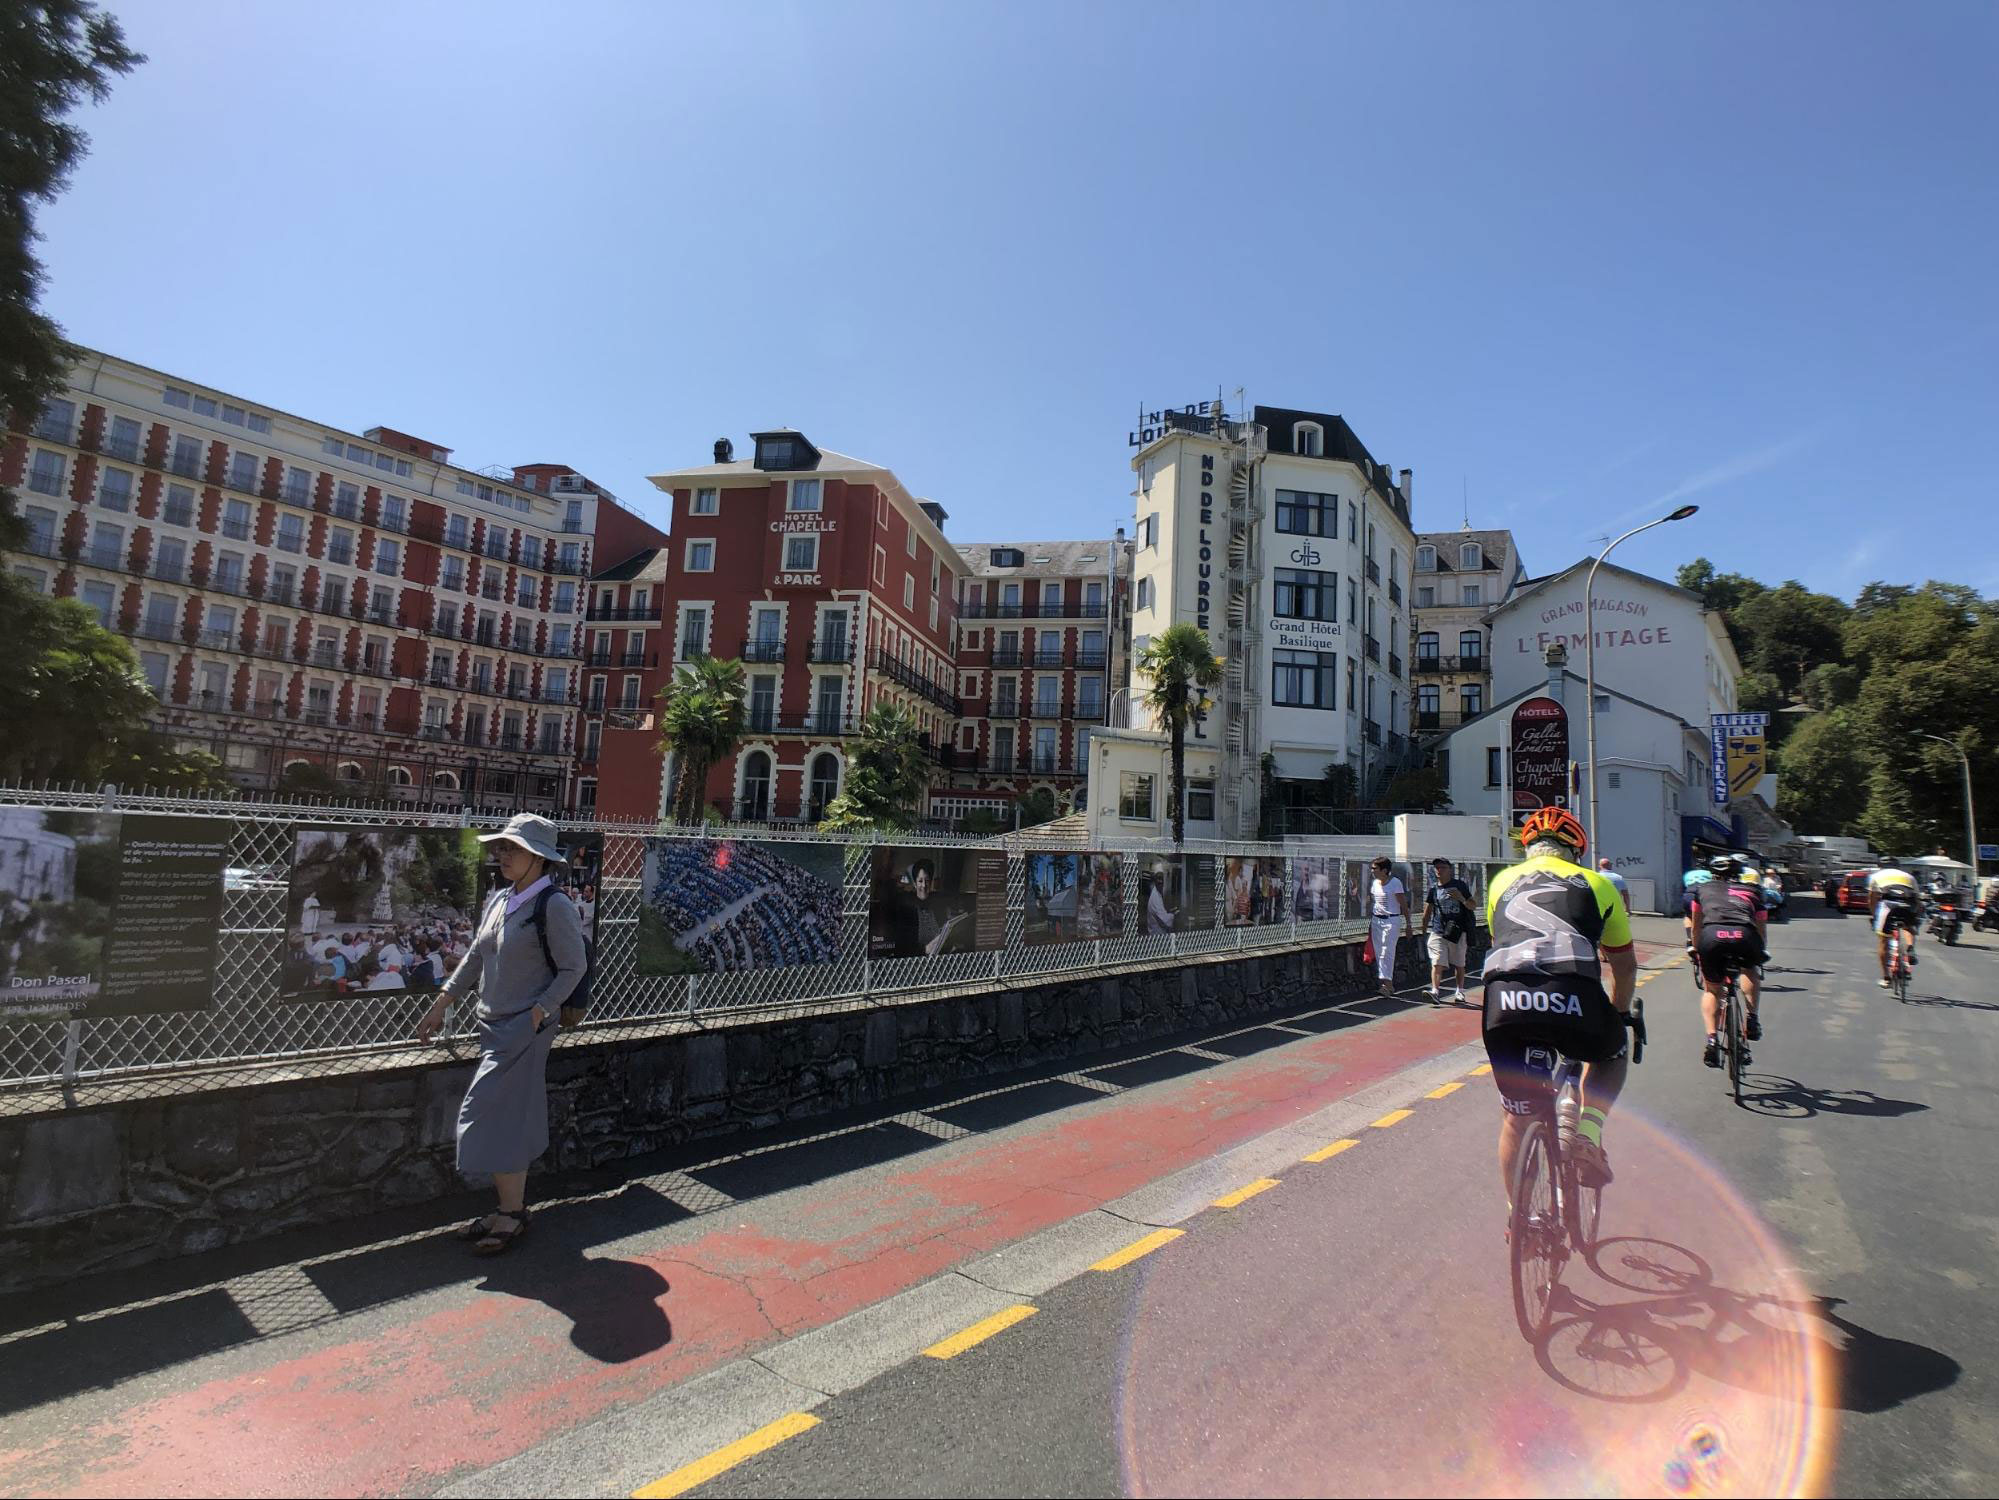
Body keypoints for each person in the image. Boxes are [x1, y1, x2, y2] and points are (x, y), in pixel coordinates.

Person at [417, 813, 586, 1257]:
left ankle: (510, 1211)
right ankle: (509, 1209)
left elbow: (574, 968)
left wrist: (539, 1011)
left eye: (513, 848)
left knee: (485, 1111)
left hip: (522, 1027)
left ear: (539, 858)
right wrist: (442, 1004)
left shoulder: (554, 905)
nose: (502, 854)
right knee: (510, 1116)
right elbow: (475, 956)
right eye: (502, 847)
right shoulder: (500, 899)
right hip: (493, 1022)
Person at [1482, 806, 1636, 1194]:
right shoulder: (1599, 884)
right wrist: (1618, 1015)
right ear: (1575, 852)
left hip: (1505, 1003)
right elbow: (1624, 965)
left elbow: (1499, 941)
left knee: (1516, 1118)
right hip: (1573, 996)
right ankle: (1586, 1134)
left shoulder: (1500, 882)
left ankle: (1520, 1222)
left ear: (1529, 849)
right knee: (1613, 1051)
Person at [1685, 854, 1769, 1066]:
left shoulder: (1701, 890)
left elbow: (1696, 925)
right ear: (1739, 874)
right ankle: (1752, 1018)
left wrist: (1695, 949)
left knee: (1712, 990)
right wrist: (1760, 950)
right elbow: (1761, 928)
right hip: (1745, 935)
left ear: (1713, 873)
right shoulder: (1754, 892)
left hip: (1712, 937)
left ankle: (1712, 1040)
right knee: (1749, 970)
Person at [1422, 857, 1475, 1003]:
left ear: (1449, 869)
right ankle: (1435, 991)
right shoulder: (1434, 889)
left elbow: (1472, 905)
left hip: (1457, 931)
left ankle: (1460, 991)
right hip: (1438, 930)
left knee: (1459, 963)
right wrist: (1423, 927)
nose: (1439, 870)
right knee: (1437, 961)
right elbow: (1428, 909)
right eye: (1436, 868)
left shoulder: (1460, 885)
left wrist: (1461, 898)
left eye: (1442, 867)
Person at [1867, 858, 1924, 988]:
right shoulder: (1908, 876)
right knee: (1908, 927)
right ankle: (1910, 948)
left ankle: (1886, 977)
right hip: (1908, 904)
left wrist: (1874, 914)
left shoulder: (1876, 876)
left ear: (1880, 866)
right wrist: (1916, 915)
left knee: (1883, 940)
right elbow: (1917, 898)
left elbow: (1872, 898)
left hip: (1888, 906)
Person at [1368, 856, 1410, 998]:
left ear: (1384, 870)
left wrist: (1409, 924)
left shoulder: (1395, 883)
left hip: (1391, 921)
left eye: (1375, 868)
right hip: (1376, 921)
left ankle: (1388, 985)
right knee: (1379, 952)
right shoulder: (1374, 883)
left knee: (1387, 952)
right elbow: (1375, 903)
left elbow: (1403, 904)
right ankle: (1385, 984)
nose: (1372, 871)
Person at [1146, 865, 1176, 934]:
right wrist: (1174, 915)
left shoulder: (1157, 893)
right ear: (1155, 879)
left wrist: (1168, 911)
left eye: (1162, 878)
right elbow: (1164, 921)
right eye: (1158, 878)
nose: (1161, 881)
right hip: (1157, 935)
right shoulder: (1155, 897)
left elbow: (1160, 912)